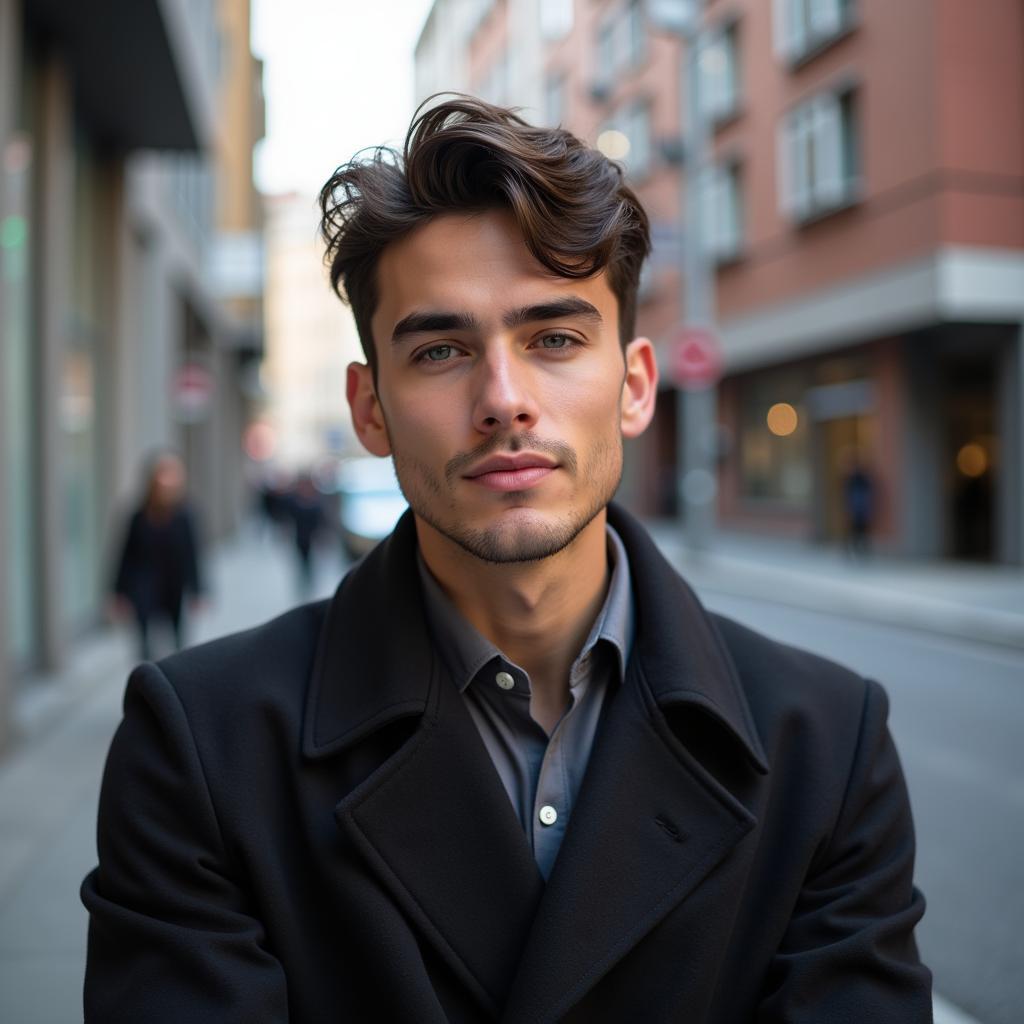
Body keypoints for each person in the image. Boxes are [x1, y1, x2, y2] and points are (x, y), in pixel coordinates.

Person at [82, 97, 931, 1022]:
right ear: (370, 409)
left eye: (555, 338)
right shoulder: (199, 746)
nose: (504, 399)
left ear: (635, 385)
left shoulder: (828, 745)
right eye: (441, 349)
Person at [109, 450, 203, 661]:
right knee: (143, 640)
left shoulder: (185, 515)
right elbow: (124, 554)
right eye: (163, 473)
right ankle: (146, 678)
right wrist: (117, 592)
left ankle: (174, 678)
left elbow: (192, 555)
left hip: (173, 584)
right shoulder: (138, 516)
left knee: (177, 638)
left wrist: (198, 590)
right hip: (143, 584)